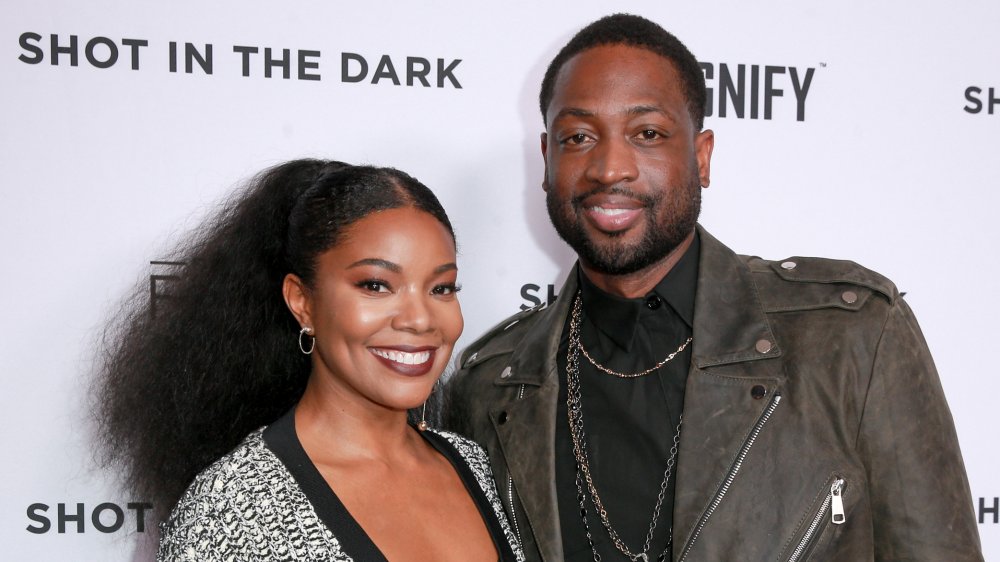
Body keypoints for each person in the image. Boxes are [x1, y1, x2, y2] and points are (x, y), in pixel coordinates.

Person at [444, 13, 983, 562]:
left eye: (647, 134)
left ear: (701, 157)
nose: (610, 168)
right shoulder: (489, 384)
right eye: (578, 137)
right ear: (547, 160)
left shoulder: (851, 338)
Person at [94, 159, 525, 561]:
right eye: (376, 285)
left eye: (442, 288)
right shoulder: (231, 510)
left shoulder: (470, 462)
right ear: (302, 302)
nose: (419, 319)